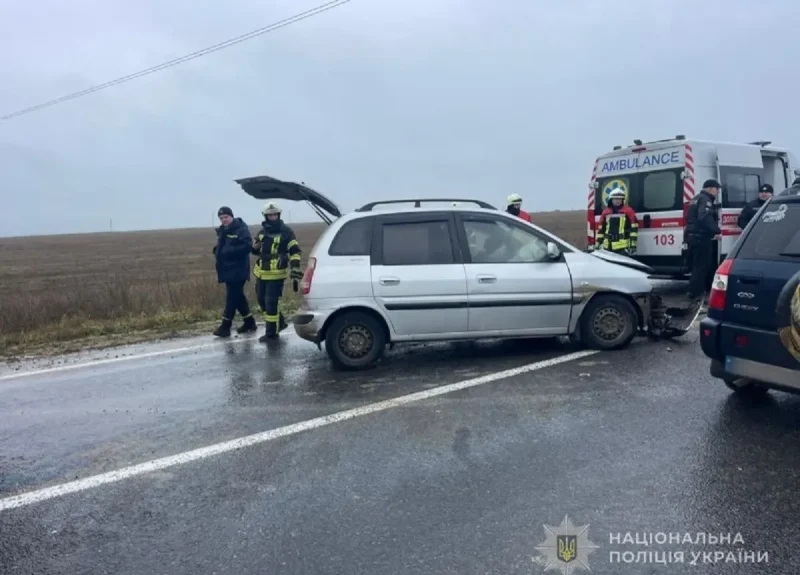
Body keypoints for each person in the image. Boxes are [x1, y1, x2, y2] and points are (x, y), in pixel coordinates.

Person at [252, 201, 303, 342]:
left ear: (278, 215)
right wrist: (254, 247)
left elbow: (295, 251)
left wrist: (295, 268)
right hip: (261, 272)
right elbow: (255, 251)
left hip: (276, 273)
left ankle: (271, 334)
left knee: (271, 303)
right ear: (266, 216)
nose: (273, 217)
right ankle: (280, 323)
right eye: (270, 215)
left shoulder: (286, 232)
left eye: (275, 214)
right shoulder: (262, 232)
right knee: (261, 301)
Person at [212, 206, 257, 337]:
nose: (224, 220)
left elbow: (247, 246)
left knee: (231, 297)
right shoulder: (222, 230)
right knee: (238, 297)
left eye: (226, 217)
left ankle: (225, 326)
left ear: (231, 216)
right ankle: (249, 322)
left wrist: (228, 252)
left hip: (238, 269)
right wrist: (217, 251)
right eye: (221, 218)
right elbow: (223, 245)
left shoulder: (241, 228)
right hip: (226, 268)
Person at [684, 179, 722, 305]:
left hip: (693, 237)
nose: (717, 192)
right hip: (701, 238)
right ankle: (697, 295)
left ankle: (693, 292)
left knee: (697, 266)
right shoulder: (705, 200)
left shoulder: (696, 198)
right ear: (711, 188)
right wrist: (716, 230)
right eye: (717, 189)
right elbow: (704, 217)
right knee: (702, 267)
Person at [595, 188, 639, 254]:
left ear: (622, 200)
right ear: (611, 199)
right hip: (607, 246)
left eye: (619, 199)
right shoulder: (605, 212)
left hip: (622, 247)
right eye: (615, 199)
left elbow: (634, 230)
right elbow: (601, 230)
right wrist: (598, 243)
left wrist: (633, 245)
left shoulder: (629, 211)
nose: (617, 201)